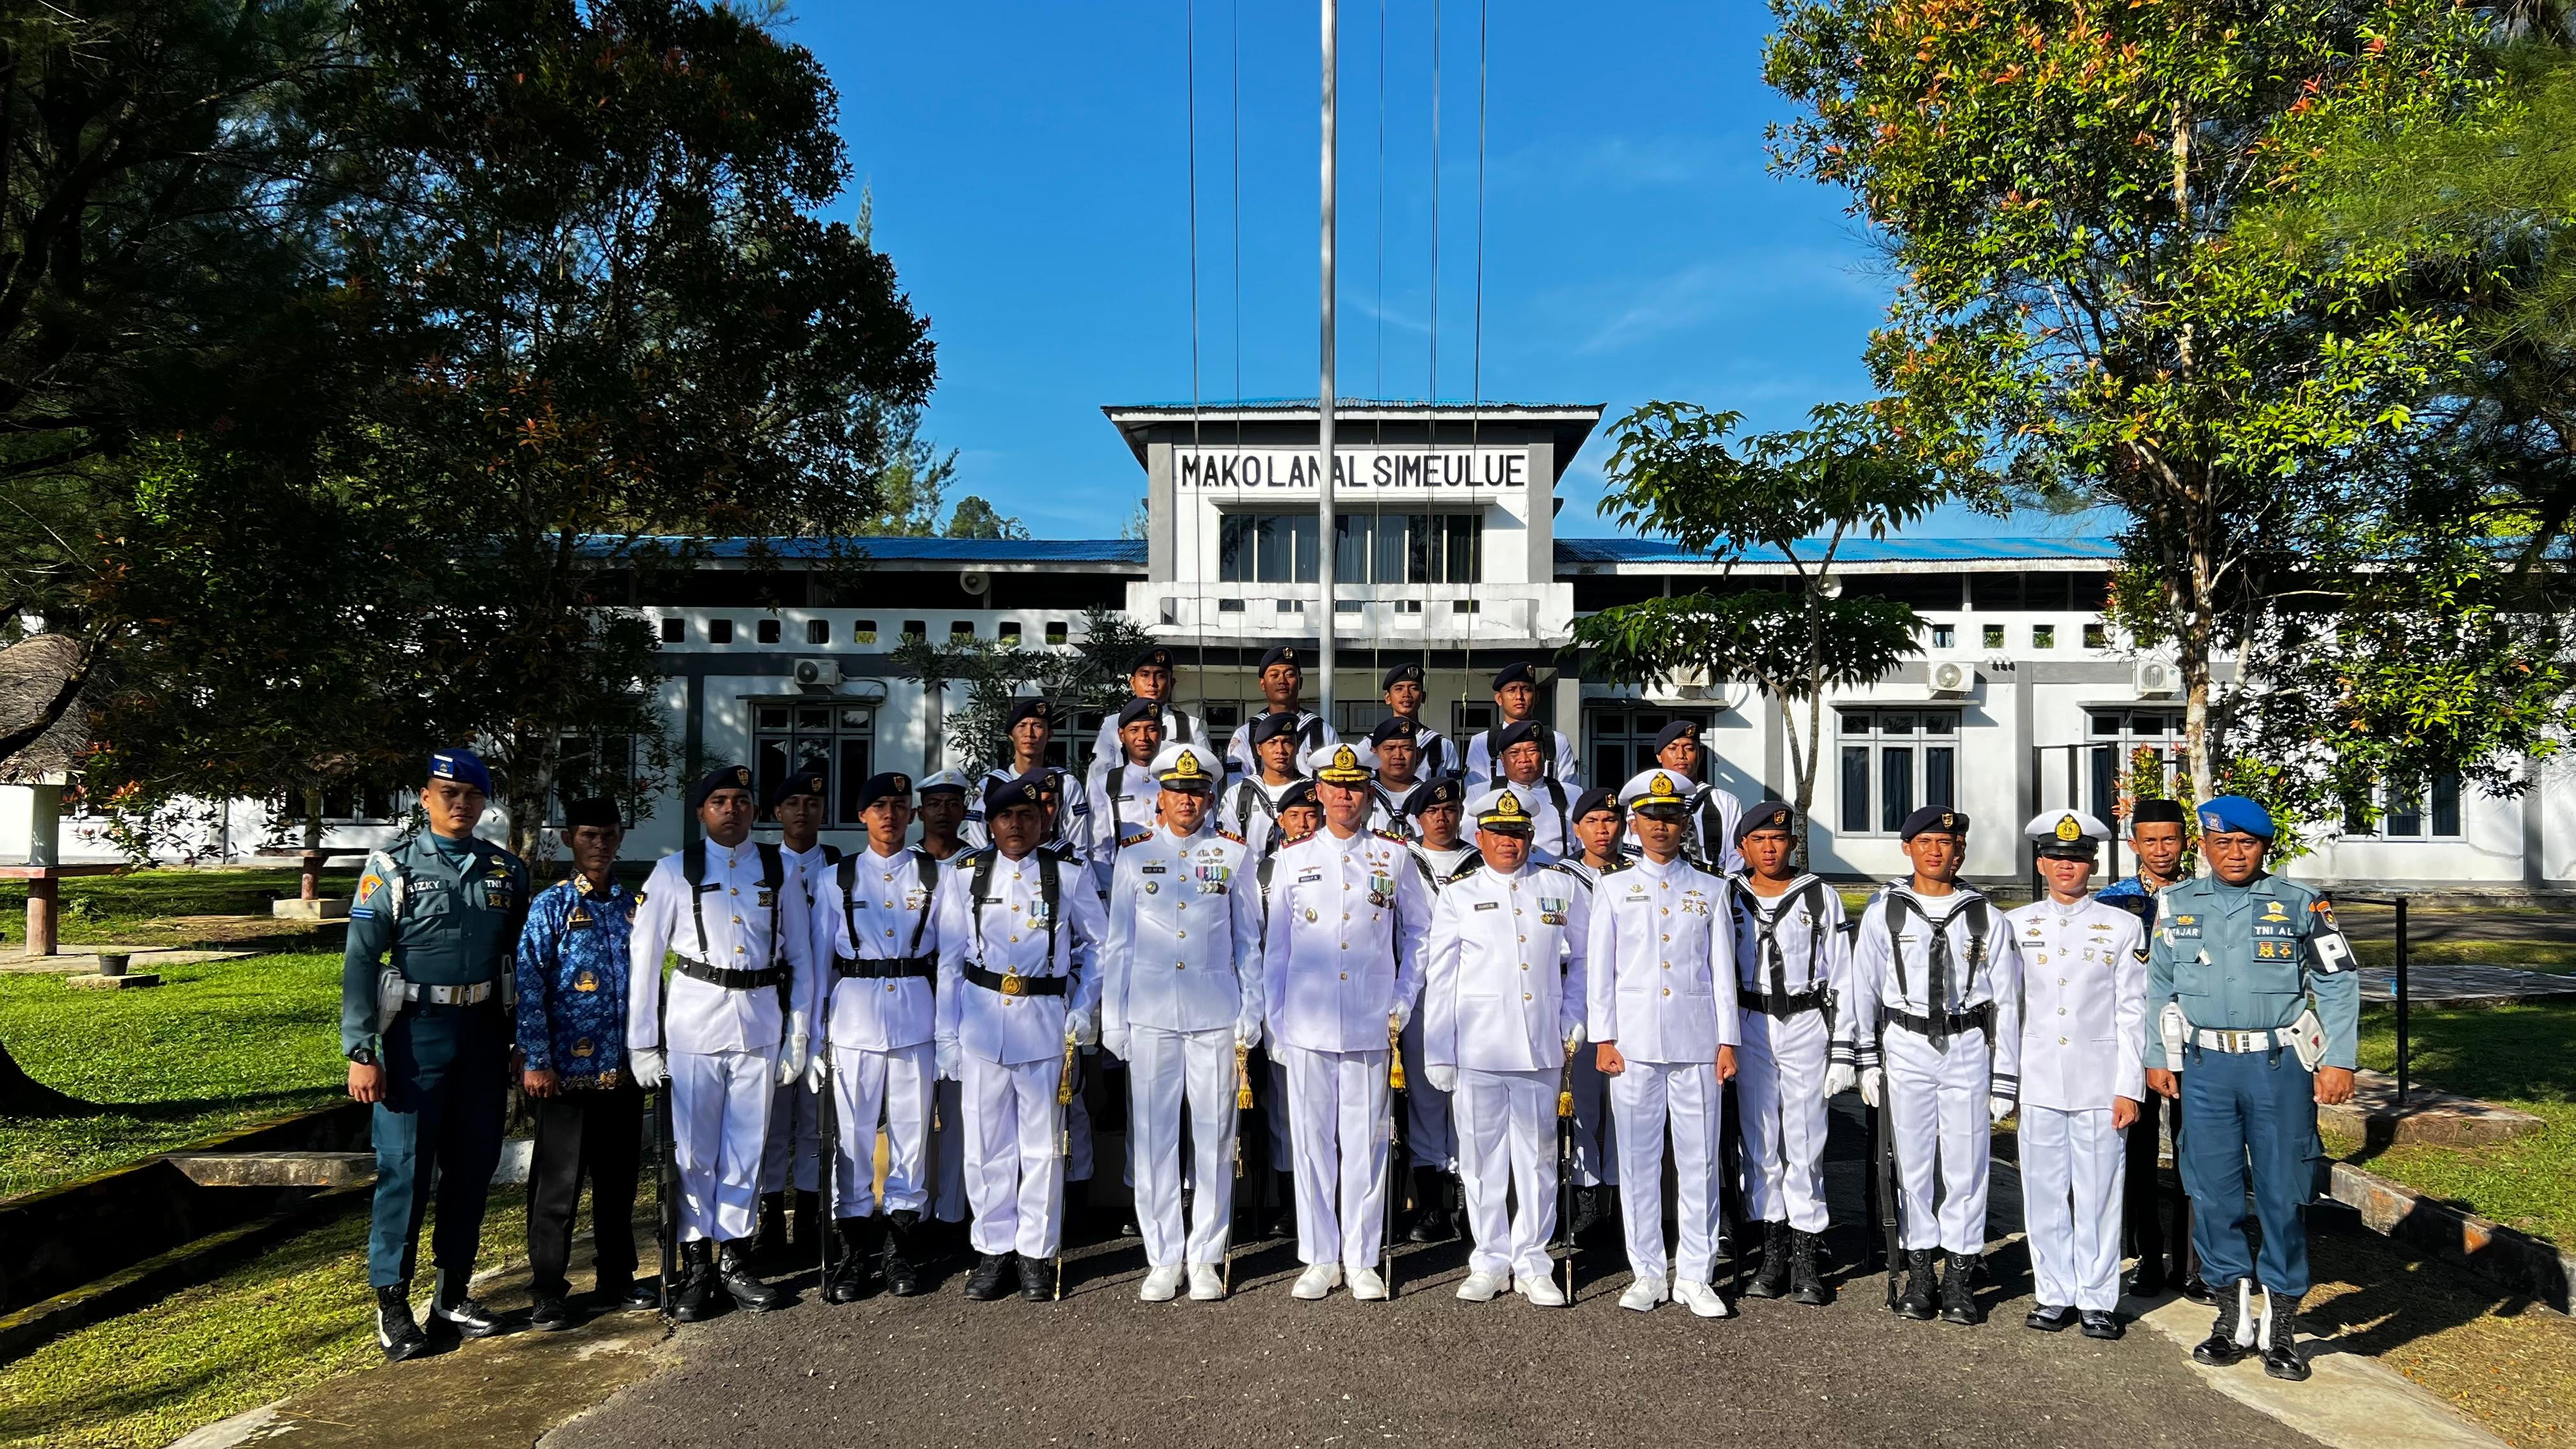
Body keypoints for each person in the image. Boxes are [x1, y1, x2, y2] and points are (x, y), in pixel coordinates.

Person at [2144, 795, 2359, 1382]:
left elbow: (2337, 983)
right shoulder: (2176, 904)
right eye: (2222, 842)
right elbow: (2158, 985)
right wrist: (2157, 1055)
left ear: (2264, 847)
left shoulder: (2301, 903)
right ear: (2204, 847)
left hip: (2278, 1067)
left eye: (2247, 843)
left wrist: (2338, 1059)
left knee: (2283, 1195)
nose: (2234, 853)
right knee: (2211, 1193)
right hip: (2205, 1069)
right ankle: (2229, 1317)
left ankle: (2282, 1324)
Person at [342, 748, 531, 1361]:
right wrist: (361, 1048)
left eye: (472, 796)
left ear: (484, 803)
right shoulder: (391, 866)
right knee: (405, 1171)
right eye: (448, 794)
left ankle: (452, 1292)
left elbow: (520, 962)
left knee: (472, 1168)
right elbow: (361, 961)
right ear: (425, 798)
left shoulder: (505, 870)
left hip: (481, 1034)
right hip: (413, 1037)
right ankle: (392, 1304)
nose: (460, 805)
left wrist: (521, 1040)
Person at [627, 764, 815, 1321]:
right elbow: (645, 962)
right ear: (702, 812)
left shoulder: (778, 870)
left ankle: (734, 1259)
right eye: (719, 801)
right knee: (694, 1153)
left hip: (759, 1025)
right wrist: (642, 1044)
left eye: (740, 800)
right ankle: (696, 1265)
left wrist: (798, 1034)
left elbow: (801, 959)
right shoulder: (672, 871)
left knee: (746, 1150)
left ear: (755, 811)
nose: (731, 809)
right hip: (694, 1026)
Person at [1261, 740, 1432, 1299]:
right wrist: (1276, 1024)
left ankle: (1361, 1257)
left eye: (1355, 786)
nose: (1344, 796)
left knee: (1366, 1142)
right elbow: (1277, 952)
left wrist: (1402, 1000)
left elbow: (1421, 934)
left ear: (1368, 793)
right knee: (1312, 1144)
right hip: (1307, 1025)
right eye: (1335, 787)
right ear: (1318, 792)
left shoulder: (1395, 856)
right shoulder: (1291, 859)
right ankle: (1319, 1257)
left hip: (1368, 1020)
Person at [1841, 806, 2023, 1326]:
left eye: (1947, 844)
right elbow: (1864, 990)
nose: (1937, 851)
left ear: (1960, 851)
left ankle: (1961, 1275)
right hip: (1906, 1043)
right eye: (1926, 843)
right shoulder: (1886, 911)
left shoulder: (1985, 915)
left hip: (1966, 1045)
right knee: (1914, 1164)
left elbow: (2008, 1002)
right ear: (1909, 849)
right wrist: (1866, 1061)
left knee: (1967, 1166)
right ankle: (1921, 1268)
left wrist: (2005, 1076)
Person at [933, 773, 1108, 1301]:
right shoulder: (964, 876)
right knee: (986, 1147)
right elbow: (947, 959)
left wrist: (1083, 1008)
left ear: (1043, 821)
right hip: (983, 1025)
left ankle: (1036, 1251)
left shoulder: (1067, 875)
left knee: (1042, 1147)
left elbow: (1102, 946)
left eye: (1028, 817)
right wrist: (947, 1034)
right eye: (1007, 816)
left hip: (1043, 1024)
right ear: (990, 823)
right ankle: (992, 1249)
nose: (1017, 825)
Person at [1100, 743, 1263, 1301]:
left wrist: (1251, 1008)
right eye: (1177, 792)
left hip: (1214, 1014)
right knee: (1153, 1139)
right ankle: (1163, 1256)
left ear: (1211, 797)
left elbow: (1249, 942)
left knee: (1216, 1139)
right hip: (1149, 1016)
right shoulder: (1131, 857)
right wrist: (1112, 1019)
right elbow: (1116, 946)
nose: (1187, 801)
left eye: (1196, 792)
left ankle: (1207, 1257)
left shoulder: (1232, 855)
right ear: (1159, 800)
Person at [1421, 785, 1590, 1307]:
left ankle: (1534, 1261)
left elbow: (1583, 960)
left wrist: (1575, 1015)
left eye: (1517, 832)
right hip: (1478, 1049)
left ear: (1531, 835)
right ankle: (1490, 1259)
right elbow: (1441, 975)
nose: (1508, 842)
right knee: (1480, 1161)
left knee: (1538, 1160)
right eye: (1498, 833)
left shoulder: (1560, 888)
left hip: (1540, 1047)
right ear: (1480, 837)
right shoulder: (1458, 895)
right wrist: (1438, 1050)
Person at [1587, 767, 1741, 1318]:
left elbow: (1723, 972)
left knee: (1700, 1162)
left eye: (1672, 816)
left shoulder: (1711, 888)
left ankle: (1696, 1274)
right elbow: (1599, 972)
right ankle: (1647, 1270)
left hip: (1697, 1043)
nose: (1661, 826)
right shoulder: (1612, 888)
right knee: (1638, 1160)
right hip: (1632, 1045)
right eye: (1652, 817)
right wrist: (1603, 1037)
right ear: (1635, 821)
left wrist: (1728, 1041)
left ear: (1684, 823)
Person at [516, 797, 657, 1331]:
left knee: (619, 1183)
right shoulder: (551, 906)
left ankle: (617, 1278)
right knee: (558, 1187)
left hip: (623, 1070)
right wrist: (537, 1059)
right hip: (564, 1076)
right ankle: (548, 1290)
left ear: (620, 838)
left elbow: (651, 982)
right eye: (588, 834)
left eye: (608, 834)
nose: (599, 843)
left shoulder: (633, 905)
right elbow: (530, 984)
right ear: (571, 839)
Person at [806, 772, 945, 1303]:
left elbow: (950, 956)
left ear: (911, 815)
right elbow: (820, 963)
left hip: (916, 1014)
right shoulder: (836, 879)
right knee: (855, 1138)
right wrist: (815, 1035)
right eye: (878, 806)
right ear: (862, 816)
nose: (890, 814)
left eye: (899, 805)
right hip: (855, 1019)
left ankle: (901, 1250)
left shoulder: (934, 874)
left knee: (912, 1135)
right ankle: (853, 1250)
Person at [2010, 809, 2147, 1340]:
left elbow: (2132, 1011)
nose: (2067, 867)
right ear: (2042, 863)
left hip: (2098, 1079)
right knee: (2042, 1190)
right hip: (2037, 1074)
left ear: (2092, 864)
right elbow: (2008, 1006)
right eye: (2057, 858)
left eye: (2078, 859)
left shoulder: (2121, 925)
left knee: (2099, 1191)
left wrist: (2127, 1086)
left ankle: (2096, 1298)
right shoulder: (2016, 925)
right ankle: (2052, 1293)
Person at [1729, 800, 1846, 1307]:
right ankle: (1770, 1249)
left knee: (1805, 1136)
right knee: (1760, 1139)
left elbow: (1841, 974)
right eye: (1759, 840)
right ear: (1743, 848)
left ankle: (1806, 1249)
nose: (1770, 847)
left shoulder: (1818, 896)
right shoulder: (1729, 896)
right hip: (1750, 1021)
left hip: (1803, 1021)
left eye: (1779, 840)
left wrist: (1843, 1047)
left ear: (1793, 846)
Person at [2097, 796, 2202, 1300]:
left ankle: (2192, 1262)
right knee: (2138, 1154)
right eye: (2151, 840)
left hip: (2197, 1040)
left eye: (2171, 839)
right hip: (2138, 1042)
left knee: (2195, 1152)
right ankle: (2148, 1255)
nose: (2161, 850)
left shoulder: (2206, 895)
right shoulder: (2113, 902)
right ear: (2133, 843)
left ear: (2186, 842)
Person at [757, 768, 836, 1266]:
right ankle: (769, 1216)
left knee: (814, 1117)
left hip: (825, 1004)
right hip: (772, 1001)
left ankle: (808, 1212)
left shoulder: (837, 867)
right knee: (769, 1117)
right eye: (793, 804)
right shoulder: (762, 867)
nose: (803, 812)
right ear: (777, 813)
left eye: (812, 804)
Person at [1393, 774, 1473, 1245]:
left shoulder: (1480, 858)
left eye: (1449, 810)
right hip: (1419, 993)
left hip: (1472, 995)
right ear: (1418, 817)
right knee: (1425, 1100)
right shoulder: (1403, 860)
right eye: (1432, 812)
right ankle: (1429, 1204)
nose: (1441, 818)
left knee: (1464, 1100)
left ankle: (1465, 1202)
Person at [1553, 787, 1627, 1245]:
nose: (1604, 830)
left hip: (1626, 1003)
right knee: (1579, 1105)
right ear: (1577, 828)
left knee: (1621, 1107)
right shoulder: (1559, 877)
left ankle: (1619, 1202)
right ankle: (1584, 1195)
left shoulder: (1636, 873)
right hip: (1578, 1000)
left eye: (1611, 821)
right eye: (1594, 821)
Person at [913, 769, 974, 1250]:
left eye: (953, 803)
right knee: (911, 1115)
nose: (944, 811)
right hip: (910, 996)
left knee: (957, 1114)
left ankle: (952, 1213)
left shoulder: (980, 863)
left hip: (962, 1000)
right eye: (935, 802)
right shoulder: (903, 863)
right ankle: (909, 1213)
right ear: (921, 810)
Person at [963, 698, 1087, 852]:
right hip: (1000, 869)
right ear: (1011, 734)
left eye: (1037, 726)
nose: (1029, 734)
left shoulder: (1065, 783)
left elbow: (1077, 841)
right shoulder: (989, 785)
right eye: (1022, 726)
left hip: (1054, 868)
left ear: (1049, 735)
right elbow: (978, 842)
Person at [1626, 721, 1744, 875]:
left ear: (1700, 755)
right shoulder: (1642, 802)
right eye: (1673, 748)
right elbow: (1634, 854)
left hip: (1712, 887)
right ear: (1659, 756)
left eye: (1689, 749)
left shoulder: (1726, 802)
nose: (1681, 756)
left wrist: (1722, 889)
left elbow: (1737, 857)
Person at [1085, 645, 1204, 799]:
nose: (1152, 683)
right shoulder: (1113, 724)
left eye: (1160, 676)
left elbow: (1206, 778)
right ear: (1132, 682)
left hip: (1175, 810)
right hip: (1126, 809)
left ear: (1172, 683)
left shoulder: (1190, 726)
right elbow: (1099, 775)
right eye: (1145, 675)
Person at [1085, 696, 1169, 894]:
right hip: (1126, 887)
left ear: (1163, 733)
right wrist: (1111, 898)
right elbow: (1099, 850)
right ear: (1121, 735)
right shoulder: (1105, 784)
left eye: (1151, 729)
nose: (1143, 737)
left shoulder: (1176, 780)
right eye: (1134, 730)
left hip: (1172, 885)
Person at [1223, 644, 1339, 778]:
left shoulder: (1323, 732)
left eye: (1290, 675)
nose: (1282, 681)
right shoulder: (1246, 734)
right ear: (1262, 684)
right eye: (1274, 675)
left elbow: (1335, 785)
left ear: (1300, 682)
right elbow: (1237, 790)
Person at [1461, 663, 1577, 790]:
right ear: (1499, 698)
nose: (1519, 697)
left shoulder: (1556, 741)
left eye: (1526, 689)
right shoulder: (1482, 742)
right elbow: (1475, 793)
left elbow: (1569, 792)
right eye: (1511, 690)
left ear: (1537, 697)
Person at [1219, 710, 1310, 854]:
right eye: (1272, 743)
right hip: (1250, 875)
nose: (1280, 750)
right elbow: (1227, 849)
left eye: (1287, 742)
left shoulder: (1313, 792)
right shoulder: (1237, 795)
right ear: (1259, 749)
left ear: (1298, 746)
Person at [1484, 721, 1576, 861]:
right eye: (1515, 753)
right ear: (1502, 759)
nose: (1524, 760)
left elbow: (1583, 850)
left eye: (1532, 751)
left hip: (1557, 878)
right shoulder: (1483, 794)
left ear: (1544, 754)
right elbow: (1473, 846)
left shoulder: (1571, 794)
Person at [1379, 661, 1455, 779]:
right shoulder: (1371, 744)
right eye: (1399, 689)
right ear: (1388, 698)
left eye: (1414, 688)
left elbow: (1451, 792)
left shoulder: (1442, 746)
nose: (1407, 695)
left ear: (1423, 697)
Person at [1365, 716, 1429, 839]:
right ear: (1374, 754)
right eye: (1390, 748)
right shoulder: (1363, 797)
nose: (1398, 756)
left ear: (1418, 755)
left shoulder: (1429, 798)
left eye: (1406, 749)